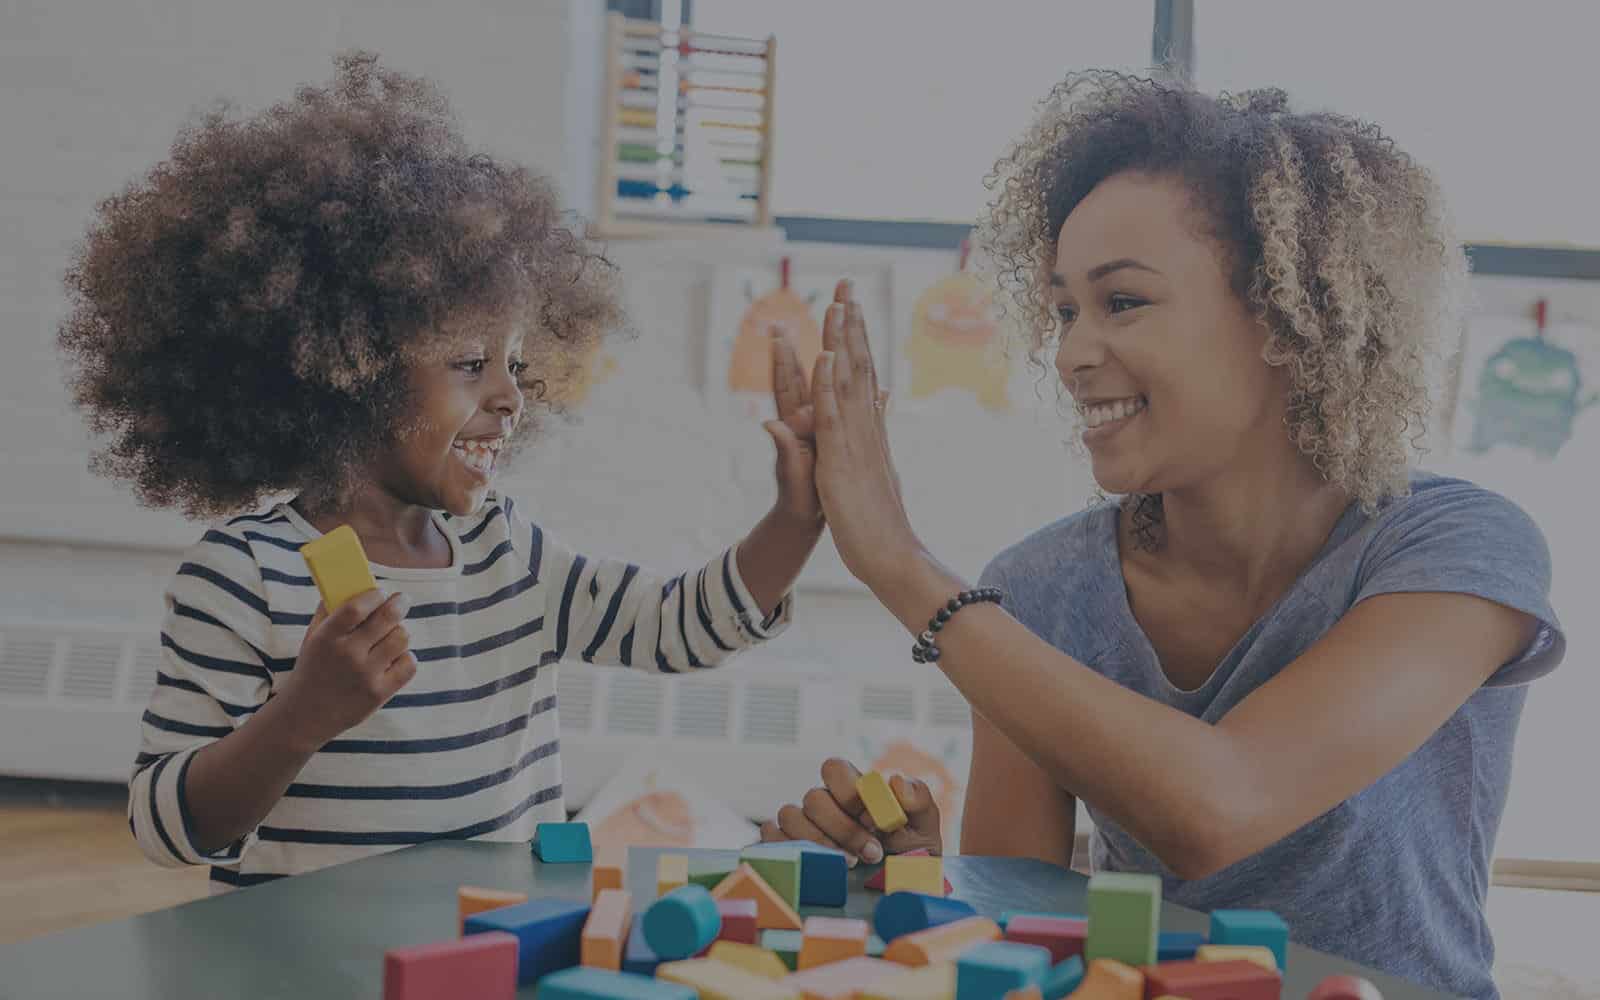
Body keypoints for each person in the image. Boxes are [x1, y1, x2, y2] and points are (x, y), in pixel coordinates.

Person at [764, 71, 1564, 1000]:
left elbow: (1220, 807)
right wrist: (915, 878)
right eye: (1065, 311)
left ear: (1285, 317)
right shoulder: (1040, 587)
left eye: (1123, 302)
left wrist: (898, 563)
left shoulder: (1455, 548)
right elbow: (1021, 930)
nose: (1071, 353)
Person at [57, 52, 828, 889]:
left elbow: (675, 627)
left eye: (515, 365)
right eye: (469, 364)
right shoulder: (244, 576)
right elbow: (167, 828)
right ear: (349, 372)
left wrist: (797, 518)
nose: (512, 396)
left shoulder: (509, 552)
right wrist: (302, 717)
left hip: (489, 944)